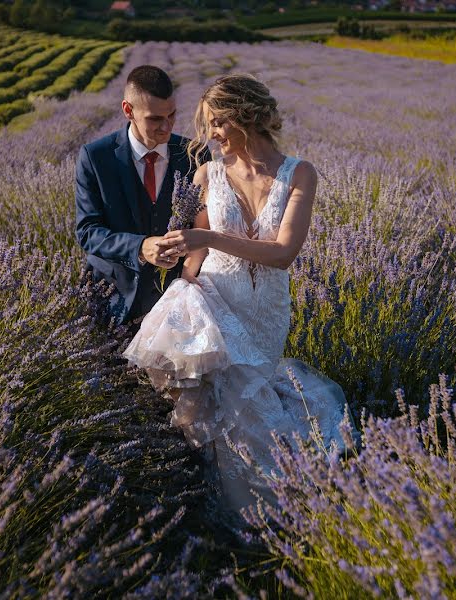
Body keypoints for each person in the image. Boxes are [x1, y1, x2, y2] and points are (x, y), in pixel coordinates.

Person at [123, 74, 354, 517]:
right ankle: (198, 491)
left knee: (247, 410)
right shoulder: (208, 173)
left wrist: (205, 234)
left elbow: (283, 253)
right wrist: (179, 261)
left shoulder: (300, 173)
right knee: (196, 399)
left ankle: (261, 509)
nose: (210, 134)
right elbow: (199, 250)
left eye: (217, 123)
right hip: (212, 294)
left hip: (264, 309)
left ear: (245, 119)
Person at [75, 65, 207, 323]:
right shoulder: (95, 157)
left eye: (172, 115)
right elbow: (88, 231)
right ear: (128, 110)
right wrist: (140, 247)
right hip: (112, 299)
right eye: (155, 119)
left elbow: (205, 229)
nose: (166, 127)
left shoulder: (196, 155)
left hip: (177, 301)